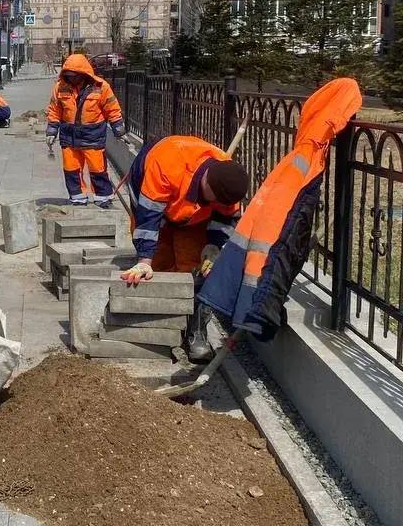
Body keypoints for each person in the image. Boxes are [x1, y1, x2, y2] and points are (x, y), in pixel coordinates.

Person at [121, 134, 250, 362]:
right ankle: (160, 330)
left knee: (196, 267)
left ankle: (194, 332)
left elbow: (225, 220)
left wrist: (213, 246)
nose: (218, 205)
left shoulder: (228, 182)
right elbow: (148, 218)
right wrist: (144, 260)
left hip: (192, 213)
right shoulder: (166, 166)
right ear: (206, 184)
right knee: (157, 266)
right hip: (152, 201)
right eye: (215, 200)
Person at [45, 54, 125, 207]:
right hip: (69, 136)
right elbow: (55, 110)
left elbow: (112, 109)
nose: (70, 78)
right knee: (71, 169)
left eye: (73, 75)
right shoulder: (60, 87)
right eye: (68, 75)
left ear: (83, 74)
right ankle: (77, 197)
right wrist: (51, 130)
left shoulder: (101, 87)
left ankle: (103, 197)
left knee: (98, 169)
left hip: (92, 135)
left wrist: (119, 130)